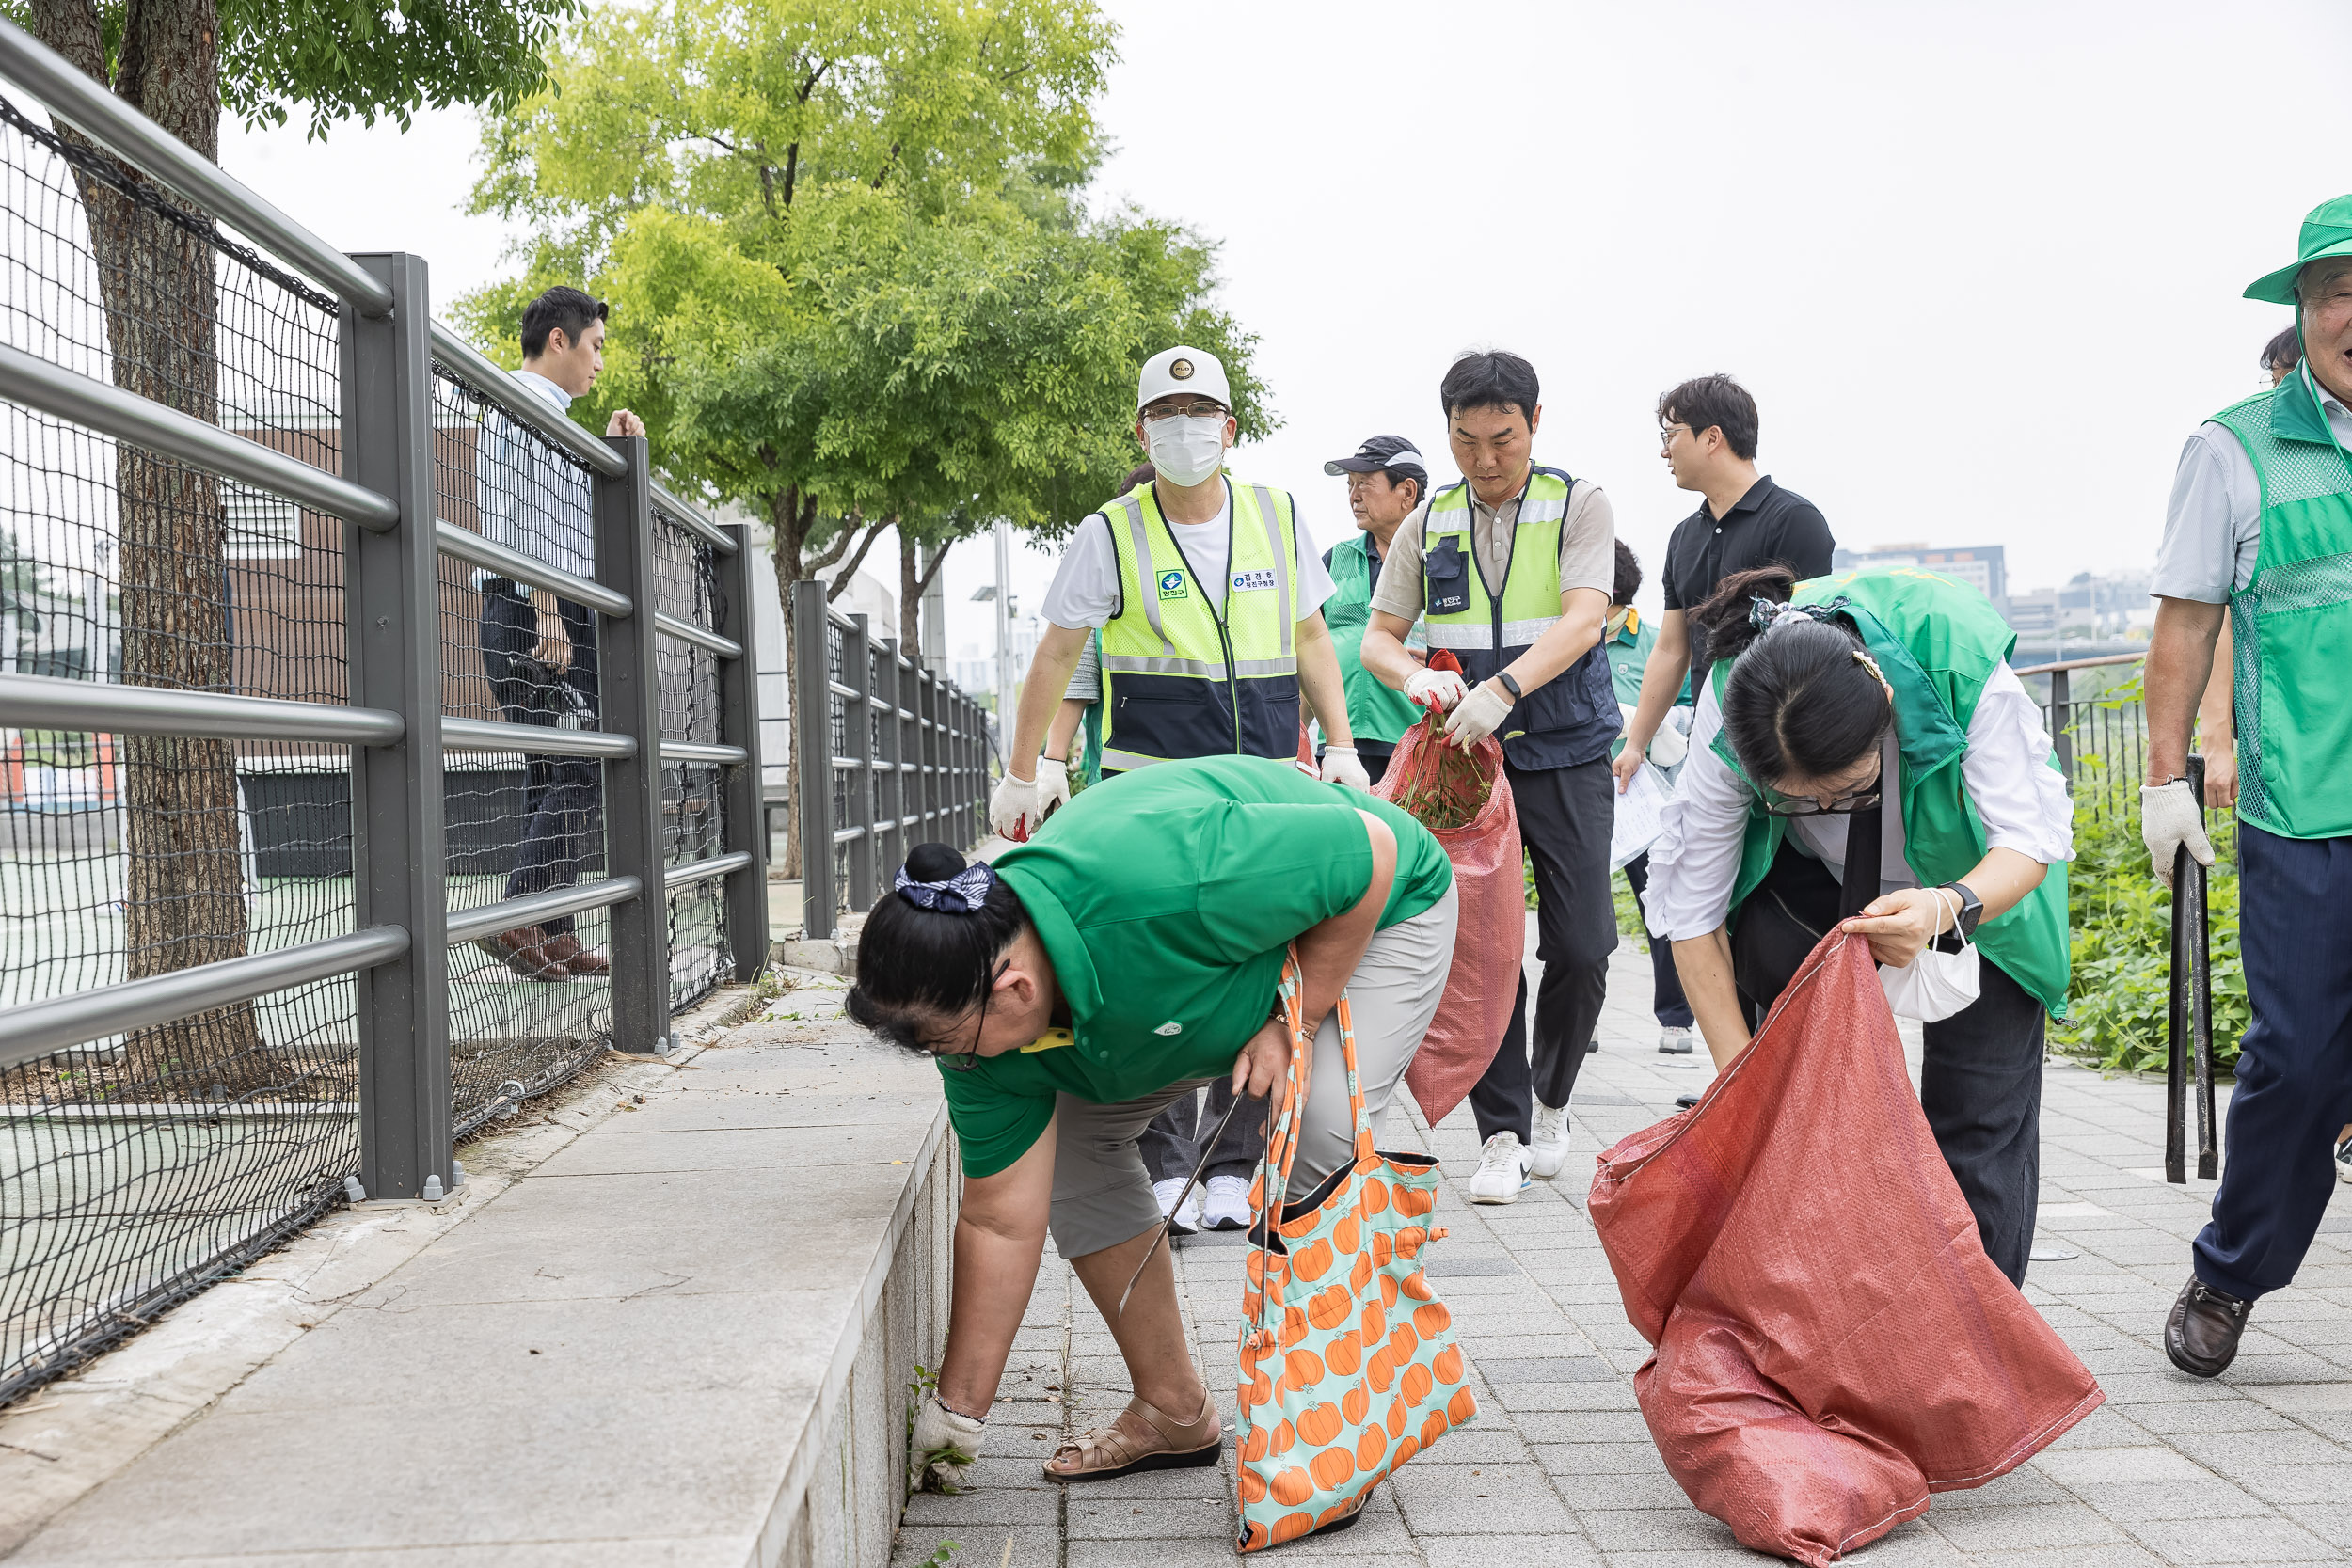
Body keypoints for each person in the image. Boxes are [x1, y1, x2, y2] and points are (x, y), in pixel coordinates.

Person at [856, 756, 1456, 1499]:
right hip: (1214, 992)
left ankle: (1334, 1437)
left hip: (1370, 915)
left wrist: (1289, 1022)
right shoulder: (978, 1032)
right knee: (1074, 1150)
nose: (954, 1061)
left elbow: (1368, 852)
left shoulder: (1159, 884)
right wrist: (959, 1413)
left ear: (1013, 987)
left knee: (1319, 1131)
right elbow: (999, 1222)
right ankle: (1174, 1408)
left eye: (951, 1041)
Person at [991, 352, 1366, 1236]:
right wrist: (1024, 770)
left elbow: (1313, 637)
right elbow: (1056, 653)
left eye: (1202, 411)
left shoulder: (1276, 516)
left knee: (1256, 971)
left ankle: (1231, 1160)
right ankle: (1163, 1160)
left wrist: (1342, 745)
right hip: (1150, 802)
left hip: (1267, 789)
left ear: (1231, 429)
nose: (1186, 427)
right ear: (1141, 430)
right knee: (1152, 976)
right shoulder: (1111, 531)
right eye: (1168, 411)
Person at [1644, 565, 2074, 1286]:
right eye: (1794, 799)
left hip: (1975, 883)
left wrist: (1945, 906)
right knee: (1793, 1121)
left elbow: (2027, 838)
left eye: (1847, 791)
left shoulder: (1953, 652)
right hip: (1813, 890)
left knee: (1976, 1124)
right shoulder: (1736, 700)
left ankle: (1975, 1356)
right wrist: (1742, 1083)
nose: (1826, 808)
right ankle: (1832, 1331)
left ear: (1880, 697)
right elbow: (1691, 912)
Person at [2143, 195, 2352, 1375]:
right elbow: (2182, 629)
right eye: (2336, 290)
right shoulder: (2234, 448)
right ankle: (2231, 1267)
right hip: (2304, 809)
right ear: (2304, 311)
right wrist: (2166, 780)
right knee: (2303, 1056)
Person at [1358, 350, 1619, 1204]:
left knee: (1581, 946)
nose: (1484, 460)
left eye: (1502, 439)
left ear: (1535, 424)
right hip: (1467, 762)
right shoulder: (1427, 519)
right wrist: (1414, 678)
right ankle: (1500, 1130)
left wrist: (1506, 688)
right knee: (1484, 953)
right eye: (1465, 441)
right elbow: (1378, 637)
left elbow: (1586, 617)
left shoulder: (1579, 503)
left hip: (1568, 746)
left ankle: (1553, 1095)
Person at [474, 286, 646, 980]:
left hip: (534, 609)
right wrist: (547, 609)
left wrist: (614, 453)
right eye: (595, 346)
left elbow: (559, 512)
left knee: (552, 768)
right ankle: (519, 914)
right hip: (534, 612)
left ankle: (553, 930)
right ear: (559, 340)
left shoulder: (543, 413)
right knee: (579, 765)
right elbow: (529, 520)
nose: (600, 361)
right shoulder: (527, 405)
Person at [1614, 374, 1835, 799]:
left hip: (1787, 744)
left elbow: (1816, 643)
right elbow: (1672, 649)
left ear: (1712, 437)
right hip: (1709, 741)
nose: (1664, 450)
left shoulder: (1794, 520)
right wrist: (1637, 743)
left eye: (1671, 434)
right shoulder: (1683, 537)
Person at [1602, 541, 1696, 1056]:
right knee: (1581, 907)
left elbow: (1690, 712)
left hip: (1643, 793)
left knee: (1656, 899)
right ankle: (1583, 1017)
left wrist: (1645, 723)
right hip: (1584, 787)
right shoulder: (1570, 639)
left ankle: (1676, 1019)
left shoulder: (1655, 643)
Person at [1319, 436, 1436, 787]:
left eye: (1365, 484)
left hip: (1417, 745)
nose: (1354, 496)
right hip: (1341, 748)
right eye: (1350, 485)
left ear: (1407, 491)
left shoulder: (1442, 562)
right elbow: (1309, 647)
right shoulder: (1334, 560)